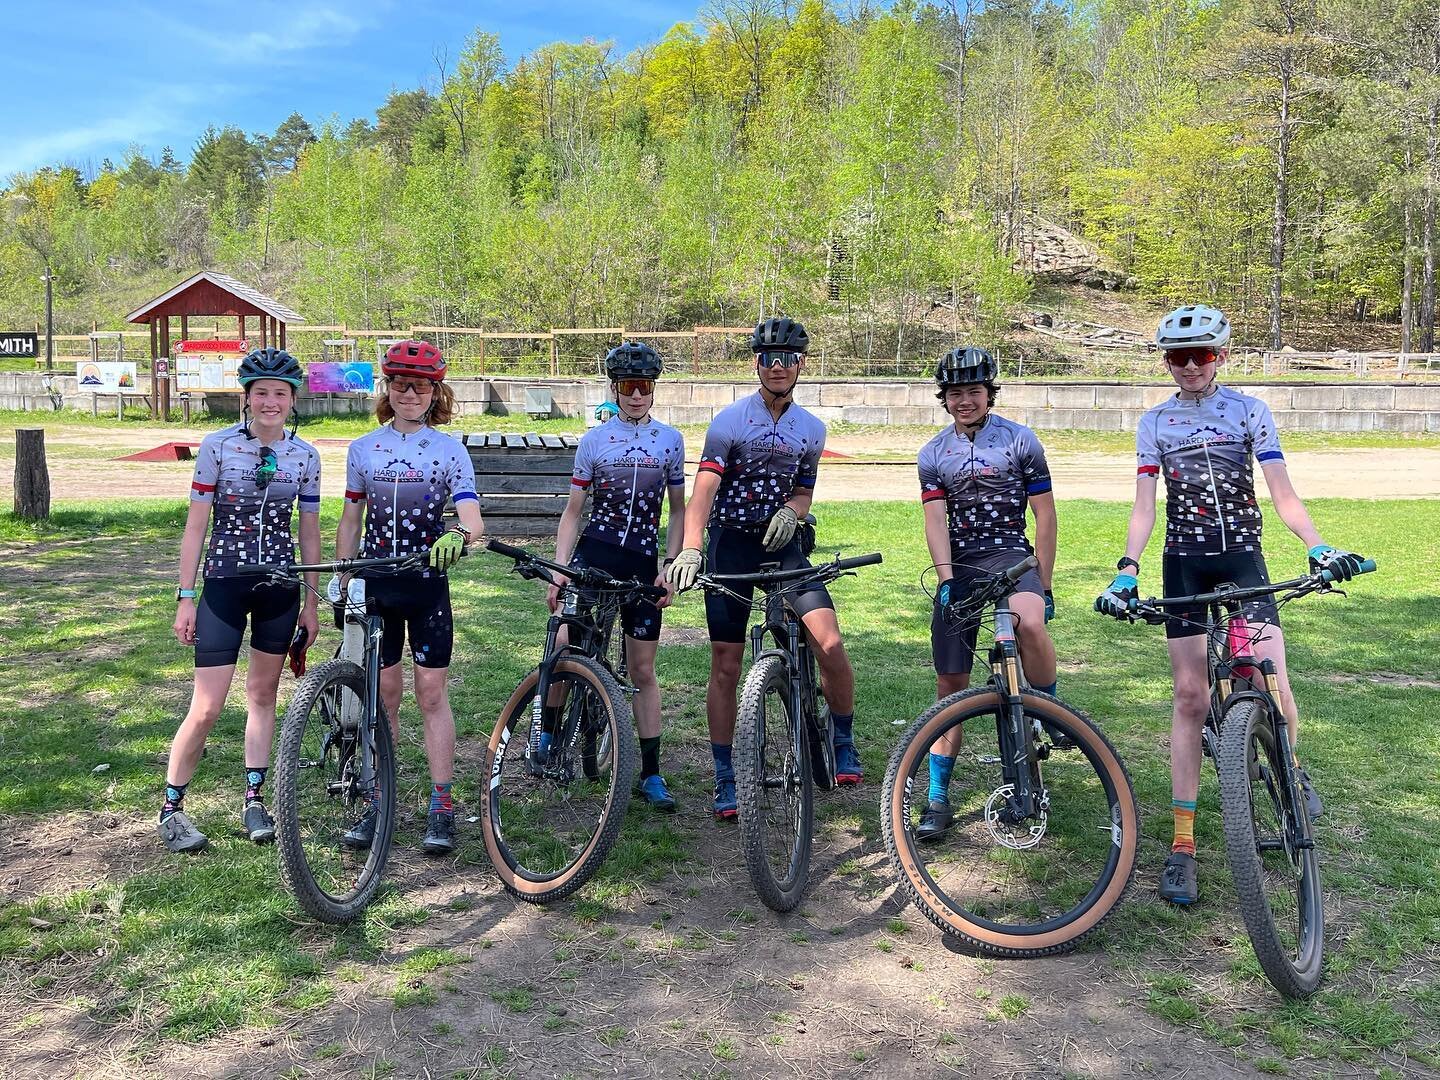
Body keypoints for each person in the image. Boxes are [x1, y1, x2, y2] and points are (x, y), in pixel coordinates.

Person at [1095, 304, 1367, 906]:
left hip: (1243, 557)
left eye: (1203, 356)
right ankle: (1184, 844)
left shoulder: (1249, 411)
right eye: (1177, 357)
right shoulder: (1154, 422)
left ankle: (1289, 772)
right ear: (1166, 361)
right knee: (1190, 696)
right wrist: (1127, 570)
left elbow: (1282, 492)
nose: (1190, 367)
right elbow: (1144, 505)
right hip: (1183, 562)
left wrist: (1317, 546)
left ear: (1221, 357)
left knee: (1270, 672)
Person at [666, 316, 861, 818]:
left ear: (801, 365)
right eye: (769, 359)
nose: (778, 367)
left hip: (783, 546)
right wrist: (691, 548)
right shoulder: (729, 421)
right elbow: (704, 490)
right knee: (726, 664)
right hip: (731, 545)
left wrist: (792, 512)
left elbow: (803, 489)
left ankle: (842, 739)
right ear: (756, 364)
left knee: (830, 642)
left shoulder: (811, 429)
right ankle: (726, 775)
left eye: (788, 359)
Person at [160, 348, 321, 853]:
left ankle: (254, 800)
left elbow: (311, 533)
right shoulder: (217, 446)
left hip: (280, 586)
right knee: (206, 706)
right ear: (246, 397)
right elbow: (195, 527)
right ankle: (171, 808)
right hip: (224, 584)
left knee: (262, 695)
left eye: (280, 394)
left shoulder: (306, 456)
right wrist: (186, 598)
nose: (270, 402)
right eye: (260, 393)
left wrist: (312, 602)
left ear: (293, 400)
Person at [336, 340, 485, 855]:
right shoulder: (364, 448)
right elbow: (351, 518)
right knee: (384, 698)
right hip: (377, 581)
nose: (409, 393)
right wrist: (343, 571)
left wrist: (460, 537)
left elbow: (471, 516)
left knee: (431, 696)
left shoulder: (449, 450)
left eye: (419, 385)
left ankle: (441, 806)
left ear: (434, 391)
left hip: (425, 586)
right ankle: (377, 801)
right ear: (387, 388)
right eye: (399, 383)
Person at [914, 347, 1060, 841]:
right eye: (956, 393)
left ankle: (1049, 710)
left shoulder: (1020, 440)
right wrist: (945, 578)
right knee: (950, 684)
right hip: (964, 563)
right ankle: (938, 795)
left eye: (974, 392)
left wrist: (1046, 579)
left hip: (1013, 557)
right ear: (945, 398)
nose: (965, 401)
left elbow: (1045, 514)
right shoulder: (933, 453)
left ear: (989, 393)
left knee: (1030, 622)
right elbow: (936, 520)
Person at [546, 341, 686, 811]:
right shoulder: (595, 440)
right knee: (567, 643)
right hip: (595, 554)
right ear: (615, 388)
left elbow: (679, 510)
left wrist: (670, 566)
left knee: (643, 669)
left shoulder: (670, 440)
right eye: (628, 386)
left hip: (643, 561)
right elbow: (572, 511)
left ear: (654, 389)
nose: (636, 395)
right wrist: (559, 571)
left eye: (644, 386)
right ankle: (547, 734)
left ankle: (650, 772)